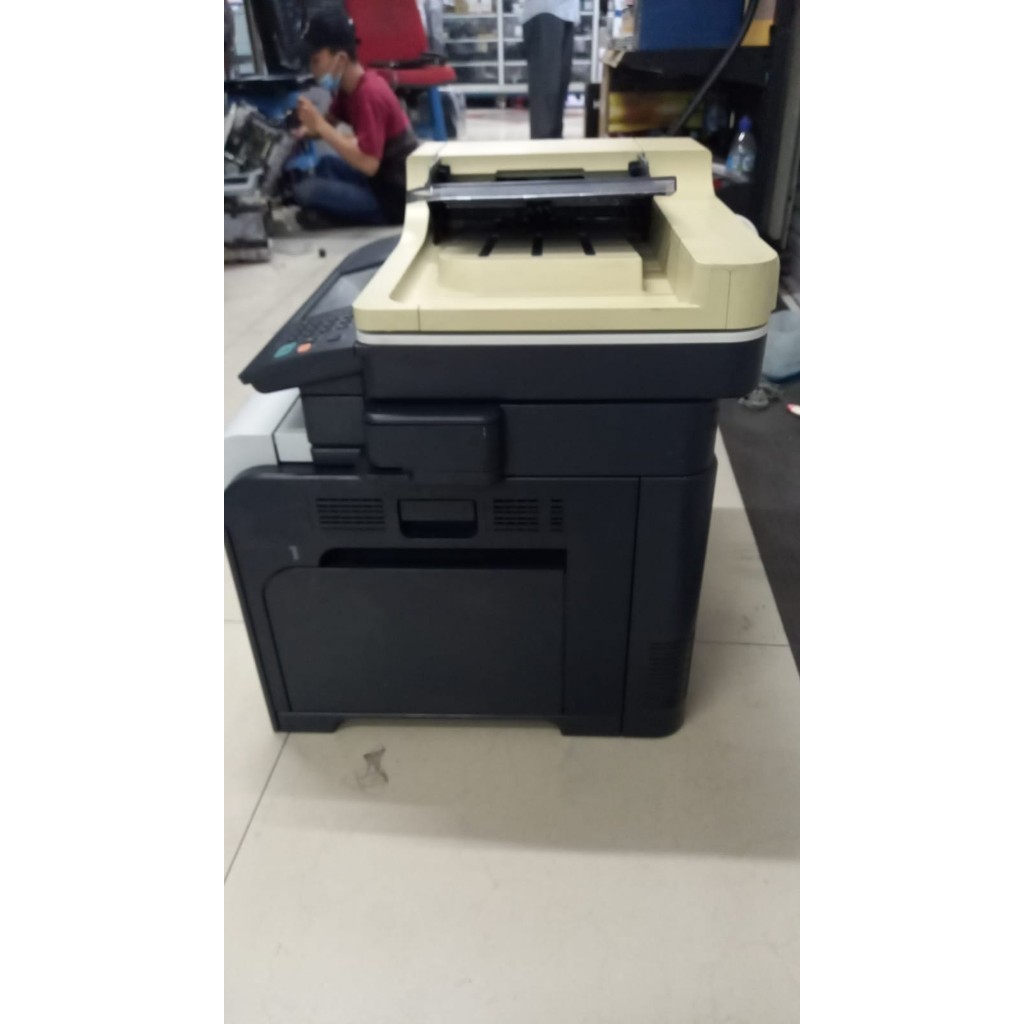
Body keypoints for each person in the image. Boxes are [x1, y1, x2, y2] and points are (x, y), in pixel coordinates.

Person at [292, 12, 420, 228]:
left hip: (393, 198)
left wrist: (319, 126)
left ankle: (339, 216)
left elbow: (368, 164)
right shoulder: (349, 89)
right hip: (378, 180)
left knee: (306, 191)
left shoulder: (368, 95)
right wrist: (303, 130)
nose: (313, 70)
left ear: (340, 59)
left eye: (316, 61)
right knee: (325, 165)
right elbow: (328, 122)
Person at [522, 0, 580, 139]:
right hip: (544, 10)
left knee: (561, 84)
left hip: (567, 12)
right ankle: (542, 147)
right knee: (546, 88)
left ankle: (554, 145)